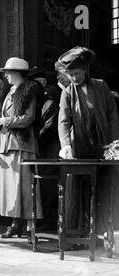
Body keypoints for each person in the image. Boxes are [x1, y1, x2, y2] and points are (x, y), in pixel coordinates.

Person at [0, 57, 43, 242]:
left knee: (24, 186)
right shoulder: (9, 92)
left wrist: (4, 121)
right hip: (6, 143)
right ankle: (15, 224)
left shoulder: (29, 90)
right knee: (10, 188)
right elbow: (5, 115)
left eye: (9, 72)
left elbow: (28, 118)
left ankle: (30, 226)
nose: (6, 75)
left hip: (21, 144)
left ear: (19, 73)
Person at [56, 47, 119, 234]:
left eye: (76, 73)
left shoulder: (101, 86)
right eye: (70, 75)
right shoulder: (67, 93)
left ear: (85, 70)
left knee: (105, 186)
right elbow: (64, 121)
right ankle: (80, 233)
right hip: (80, 146)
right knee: (79, 188)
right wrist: (66, 144)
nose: (74, 78)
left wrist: (115, 144)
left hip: (103, 145)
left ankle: (105, 231)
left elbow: (112, 116)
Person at [29, 68, 61, 231]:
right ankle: (42, 220)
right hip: (39, 151)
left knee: (49, 187)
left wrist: (34, 141)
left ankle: (49, 222)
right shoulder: (36, 102)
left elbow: (49, 128)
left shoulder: (50, 103)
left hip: (50, 150)